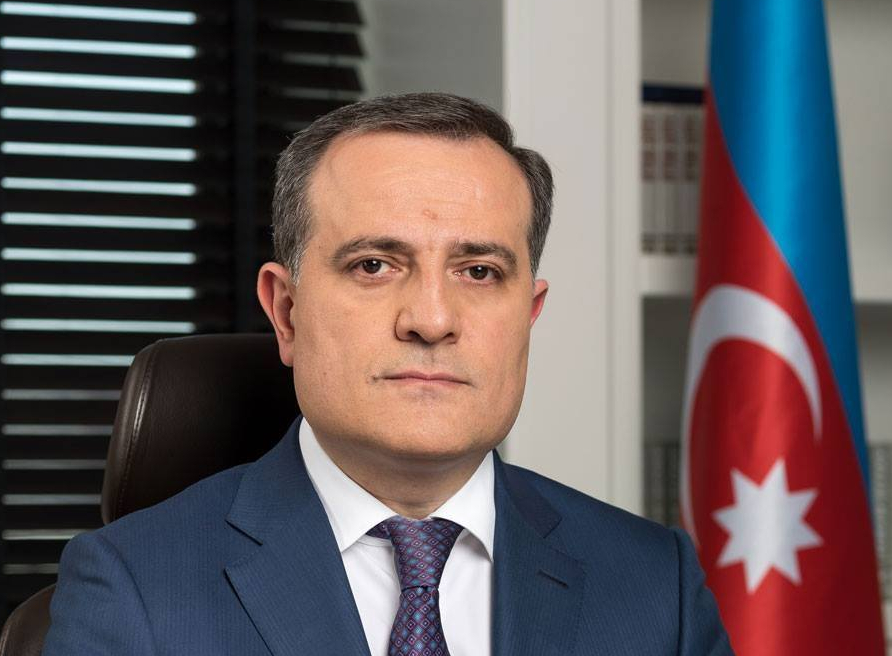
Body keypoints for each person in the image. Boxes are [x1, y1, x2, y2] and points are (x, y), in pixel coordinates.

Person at [42, 93, 732, 655]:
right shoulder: (134, 587)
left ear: (528, 315)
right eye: (374, 265)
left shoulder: (655, 585)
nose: (431, 320)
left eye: (478, 271)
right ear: (286, 312)